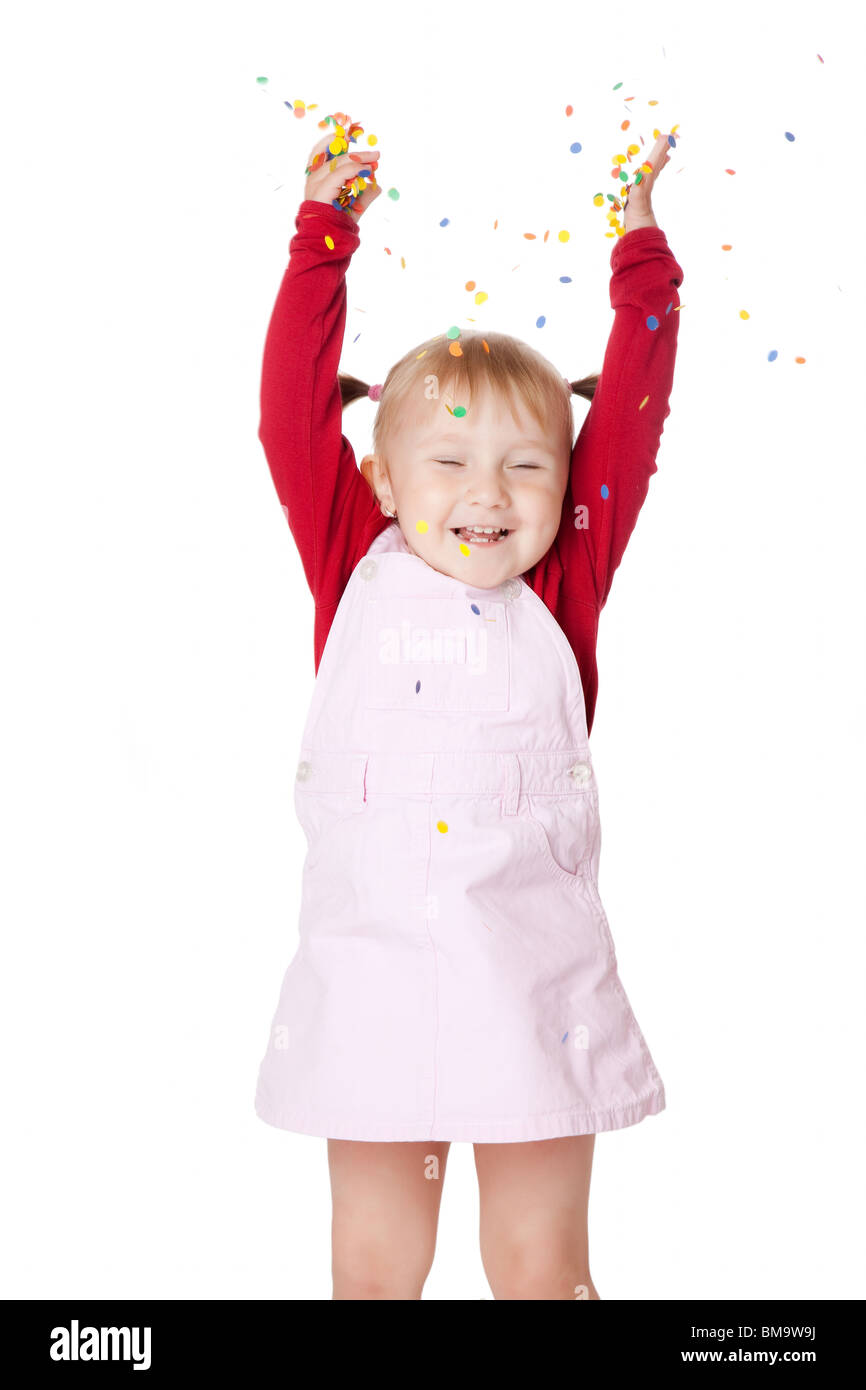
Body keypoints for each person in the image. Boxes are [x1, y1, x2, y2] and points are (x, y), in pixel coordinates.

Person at [253, 120, 684, 1300]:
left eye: (526, 464)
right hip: (373, 976)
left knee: (542, 1267)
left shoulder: (565, 574)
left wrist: (640, 250)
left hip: (531, 982)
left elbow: (634, 411)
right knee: (373, 1267)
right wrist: (322, 237)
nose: (486, 493)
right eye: (446, 462)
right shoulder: (350, 555)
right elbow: (288, 413)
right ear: (382, 479)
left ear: (568, 485)